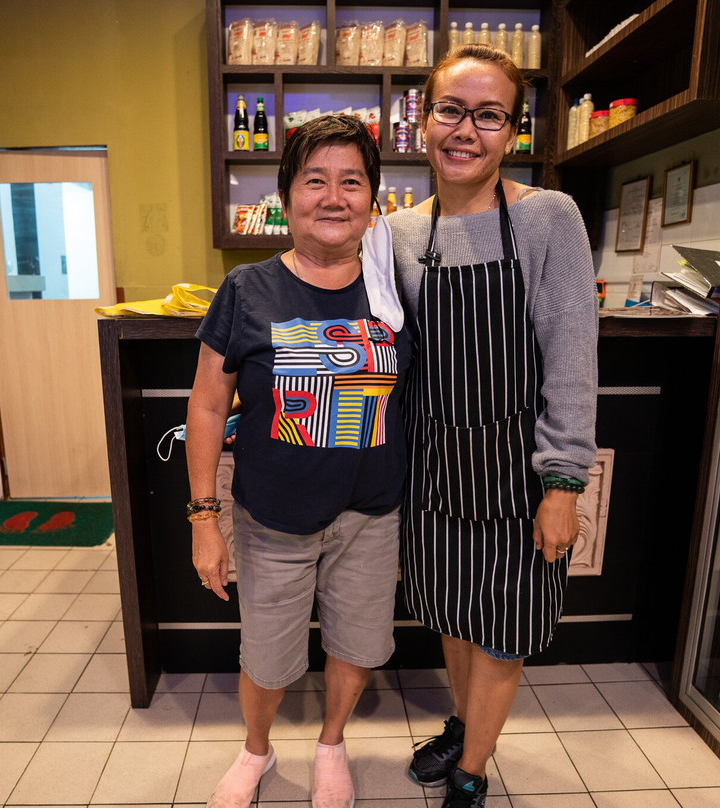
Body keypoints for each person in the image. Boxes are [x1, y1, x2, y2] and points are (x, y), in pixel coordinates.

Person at [387, 44, 598, 808]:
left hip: (518, 475)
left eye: (488, 115)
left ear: (512, 130)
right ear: (423, 121)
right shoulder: (398, 233)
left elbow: (571, 357)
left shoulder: (548, 217)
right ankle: (464, 723)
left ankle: (473, 770)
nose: (466, 130)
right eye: (451, 110)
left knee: (504, 629)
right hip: (434, 471)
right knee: (452, 614)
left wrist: (563, 484)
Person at [186, 114, 410, 808]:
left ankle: (331, 744)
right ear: (286, 199)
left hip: (370, 514)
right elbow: (207, 406)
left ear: (373, 199)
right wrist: (204, 518)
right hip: (272, 517)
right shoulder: (246, 289)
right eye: (315, 181)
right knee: (267, 655)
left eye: (352, 182)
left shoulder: (396, 286)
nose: (334, 197)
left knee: (356, 645)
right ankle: (256, 750)